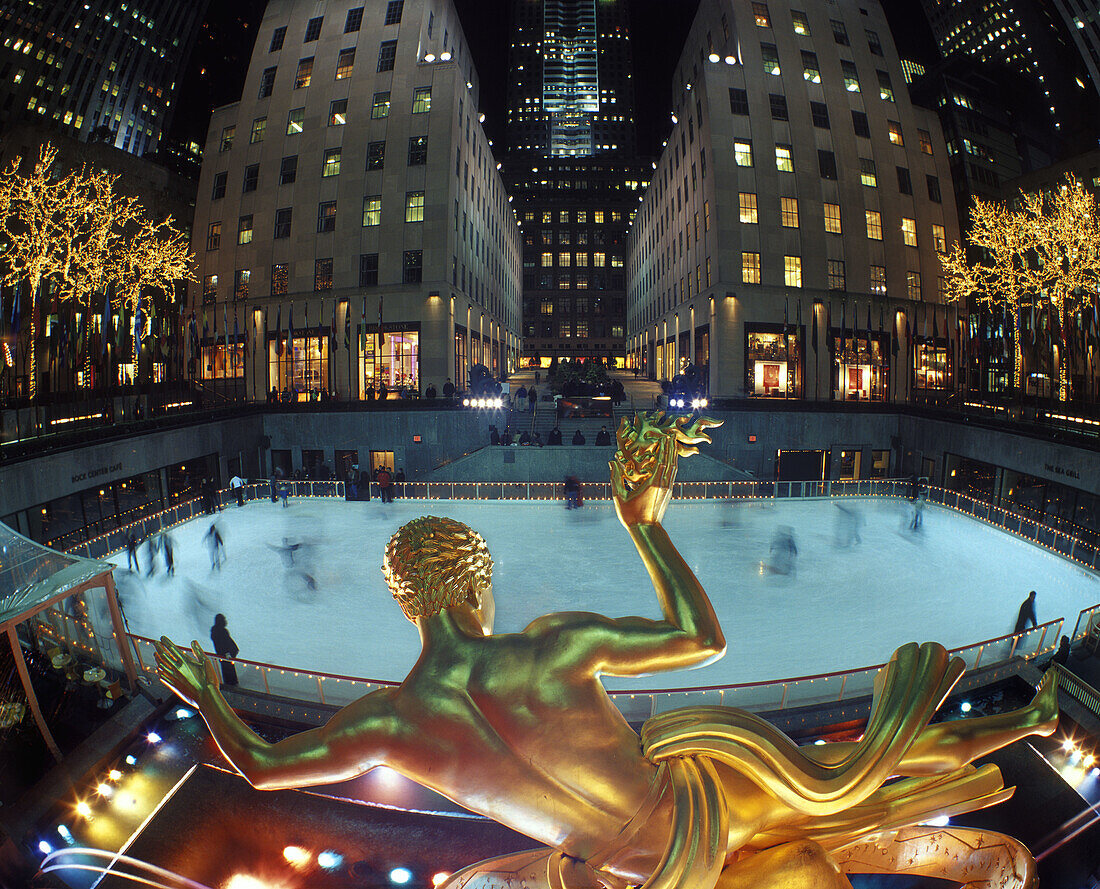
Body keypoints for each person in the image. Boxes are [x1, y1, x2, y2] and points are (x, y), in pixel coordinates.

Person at [156, 412, 1059, 889]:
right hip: (701, 805)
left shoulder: (393, 723)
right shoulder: (551, 646)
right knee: (848, 763)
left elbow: (265, 768)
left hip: (629, 865)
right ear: (476, 584)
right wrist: (645, 526)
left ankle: (1022, 719)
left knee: (843, 771)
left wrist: (209, 698)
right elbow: (701, 637)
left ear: (405, 602)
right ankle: (1025, 719)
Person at [209, 614, 239, 687]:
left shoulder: (215, 632)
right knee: (230, 672)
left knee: (226, 672)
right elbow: (225, 644)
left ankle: (229, 684)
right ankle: (232, 685)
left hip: (222, 656)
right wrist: (229, 653)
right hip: (226, 656)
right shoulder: (222, 631)